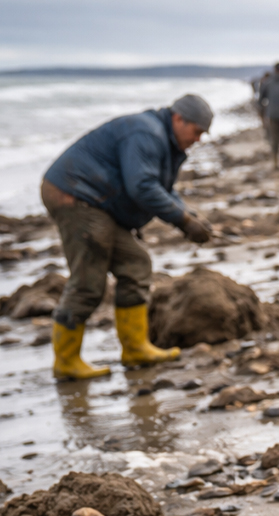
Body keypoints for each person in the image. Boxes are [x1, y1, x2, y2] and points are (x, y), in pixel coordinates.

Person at [41, 95, 214, 380]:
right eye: (196, 132)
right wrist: (183, 222)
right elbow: (143, 187)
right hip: (76, 196)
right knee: (88, 281)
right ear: (178, 118)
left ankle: (135, 348)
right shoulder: (146, 133)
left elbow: (160, 186)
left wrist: (190, 216)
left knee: (135, 263)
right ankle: (66, 361)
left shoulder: (160, 137)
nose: (197, 140)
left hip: (98, 202)